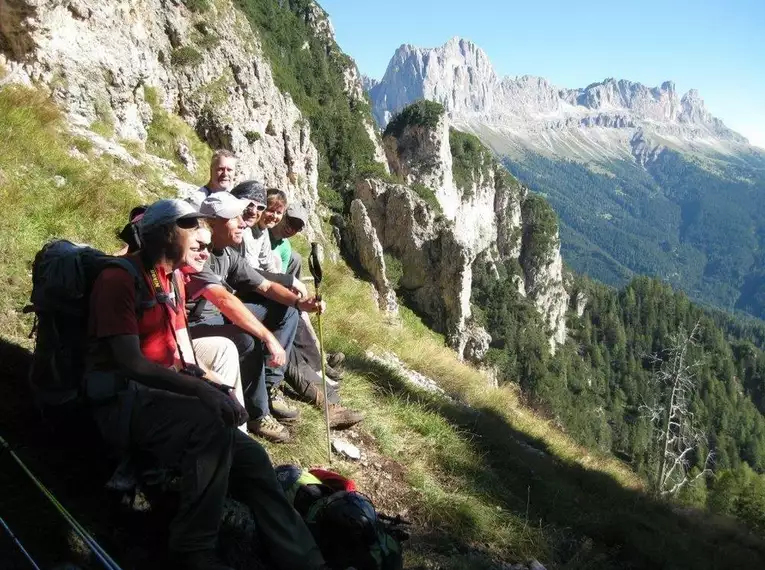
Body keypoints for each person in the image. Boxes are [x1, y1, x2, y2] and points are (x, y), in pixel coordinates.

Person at [85, 199, 326, 570]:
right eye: (192, 229)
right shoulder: (118, 279)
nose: (202, 237)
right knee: (211, 427)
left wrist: (216, 386)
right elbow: (129, 363)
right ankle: (194, 551)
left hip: (161, 394)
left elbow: (183, 356)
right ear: (165, 233)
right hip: (122, 400)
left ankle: (306, 559)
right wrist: (200, 392)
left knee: (253, 457)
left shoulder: (173, 279)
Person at [186, 192, 324, 443]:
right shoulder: (199, 254)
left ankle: (269, 384)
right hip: (194, 326)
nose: (243, 222)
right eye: (234, 217)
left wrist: (299, 302)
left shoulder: (227, 254)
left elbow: (266, 287)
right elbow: (225, 301)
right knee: (246, 339)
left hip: (219, 317)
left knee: (287, 310)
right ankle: (258, 414)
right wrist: (267, 337)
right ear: (212, 222)